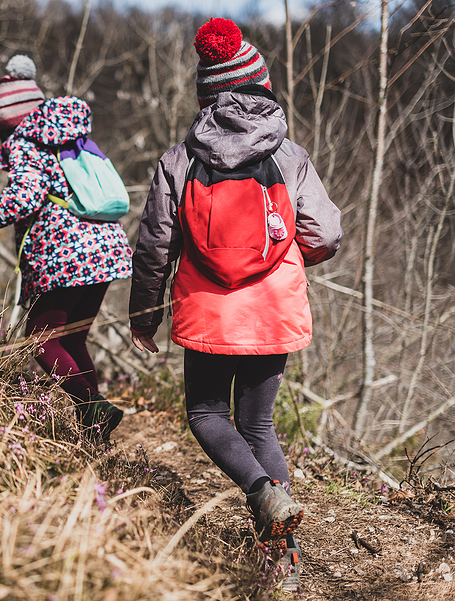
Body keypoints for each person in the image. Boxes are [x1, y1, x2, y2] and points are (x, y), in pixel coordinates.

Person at [128, 18, 343, 592]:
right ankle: (284, 560)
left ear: (207, 97)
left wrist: (144, 315)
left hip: (208, 309)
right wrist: (289, 257)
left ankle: (261, 493)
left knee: (206, 415)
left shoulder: (179, 160)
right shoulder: (289, 155)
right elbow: (325, 233)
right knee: (258, 423)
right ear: (260, 89)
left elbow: (155, 245)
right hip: (273, 309)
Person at [0, 55, 133, 443]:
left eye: (0, 133)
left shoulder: (27, 143)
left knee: (41, 339)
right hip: (106, 251)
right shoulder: (72, 138)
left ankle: (93, 408)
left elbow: (22, 199)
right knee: (72, 339)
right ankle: (95, 434)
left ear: (8, 123)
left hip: (66, 257)